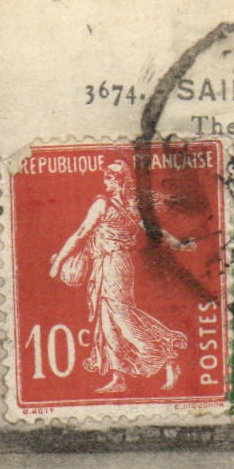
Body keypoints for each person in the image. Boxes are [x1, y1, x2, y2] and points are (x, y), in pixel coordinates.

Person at [46, 160, 192, 393]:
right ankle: (118, 377)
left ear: (120, 181)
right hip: (104, 265)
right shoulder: (129, 208)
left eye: (110, 179)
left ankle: (165, 356)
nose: (106, 183)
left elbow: (81, 234)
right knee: (107, 321)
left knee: (122, 317)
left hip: (114, 265)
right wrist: (180, 245)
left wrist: (59, 263)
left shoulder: (106, 205)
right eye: (106, 179)